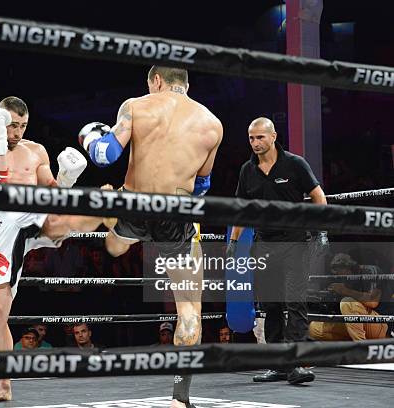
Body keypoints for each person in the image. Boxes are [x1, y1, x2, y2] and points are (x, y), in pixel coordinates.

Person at [79, 66, 222, 408]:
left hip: (135, 200)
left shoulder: (136, 106)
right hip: (176, 210)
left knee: (114, 247)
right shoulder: (212, 123)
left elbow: (105, 155)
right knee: (189, 312)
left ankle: (111, 214)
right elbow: (203, 184)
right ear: (185, 85)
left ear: (156, 81)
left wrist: (88, 136)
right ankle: (179, 397)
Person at [0, 97, 105, 405]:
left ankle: (109, 204)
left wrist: (66, 180)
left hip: (34, 214)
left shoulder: (36, 150)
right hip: (0, 228)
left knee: (56, 216)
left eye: (23, 126)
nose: (17, 132)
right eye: (12, 125)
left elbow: (51, 191)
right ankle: (3, 385)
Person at [227, 117, 327, 385]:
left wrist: (320, 231)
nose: (255, 143)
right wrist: (234, 242)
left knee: (295, 303)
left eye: (260, 137)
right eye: (251, 138)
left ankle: (295, 364)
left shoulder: (295, 164)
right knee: (270, 305)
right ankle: (278, 366)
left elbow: (318, 196)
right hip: (263, 244)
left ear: (273, 136)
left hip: (295, 241)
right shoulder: (247, 170)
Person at [309, 253, 389, 341]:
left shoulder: (371, 271)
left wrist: (344, 290)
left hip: (378, 323)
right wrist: (329, 295)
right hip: (354, 325)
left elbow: (373, 301)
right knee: (314, 328)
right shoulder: (346, 280)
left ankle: (362, 348)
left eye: (340, 273)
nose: (340, 277)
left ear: (346, 267)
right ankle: (349, 346)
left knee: (347, 302)